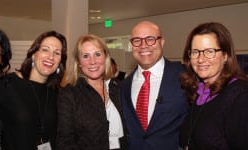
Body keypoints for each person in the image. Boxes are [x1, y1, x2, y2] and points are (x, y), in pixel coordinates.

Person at [0, 31, 67, 150]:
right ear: (33, 54)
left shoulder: (57, 93)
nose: (51, 57)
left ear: (60, 62)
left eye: (57, 53)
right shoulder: (6, 85)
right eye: (45, 50)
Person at [120, 20, 189, 150]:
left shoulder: (185, 77)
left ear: (161, 42)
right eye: (137, 40)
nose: (143, 45)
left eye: (150, 39)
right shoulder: (123, 86)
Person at [179, 22, 248, 150]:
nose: (200, 59)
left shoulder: (240, 95)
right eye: (195, 52)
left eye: (209, 51)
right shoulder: (199, 92)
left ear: (225, 55)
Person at [56, 34, 127, 150]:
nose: (92, 61)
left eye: (97, 54)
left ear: (106, 57)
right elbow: (65, 142)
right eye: (85, 56)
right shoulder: (69, 94)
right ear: (79, 62)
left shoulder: (118, 87)